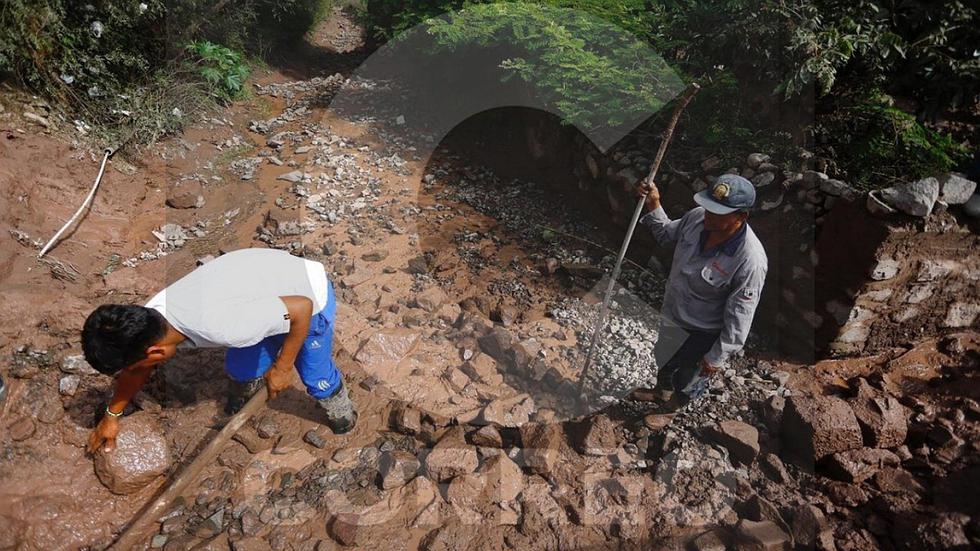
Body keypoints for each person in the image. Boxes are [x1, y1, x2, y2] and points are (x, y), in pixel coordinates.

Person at [82, 248, 356, 453]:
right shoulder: (149, 316)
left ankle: (342, 414)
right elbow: (136, 369)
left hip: (308, 296)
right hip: (256, 297)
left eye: (135, 366)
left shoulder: (226, 327)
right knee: (240, 369)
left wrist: (283, 367)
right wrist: (112, 415)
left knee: (316, 376)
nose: (136, 371)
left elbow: (301, 309)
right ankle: (243, 397)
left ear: (154, 353)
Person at [631, 174, 768, 409]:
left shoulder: (750, 261)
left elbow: (740, 318)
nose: (709, 215)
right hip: (673, 313)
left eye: (718, 213)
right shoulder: (697, 218)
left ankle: (673, 408)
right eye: (708, 208)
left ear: (741, 217)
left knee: (689, 377)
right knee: (663, 357)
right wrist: (654, 203)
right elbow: (666, 234)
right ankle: (662, 391)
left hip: (702, 334)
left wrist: (716, 357)